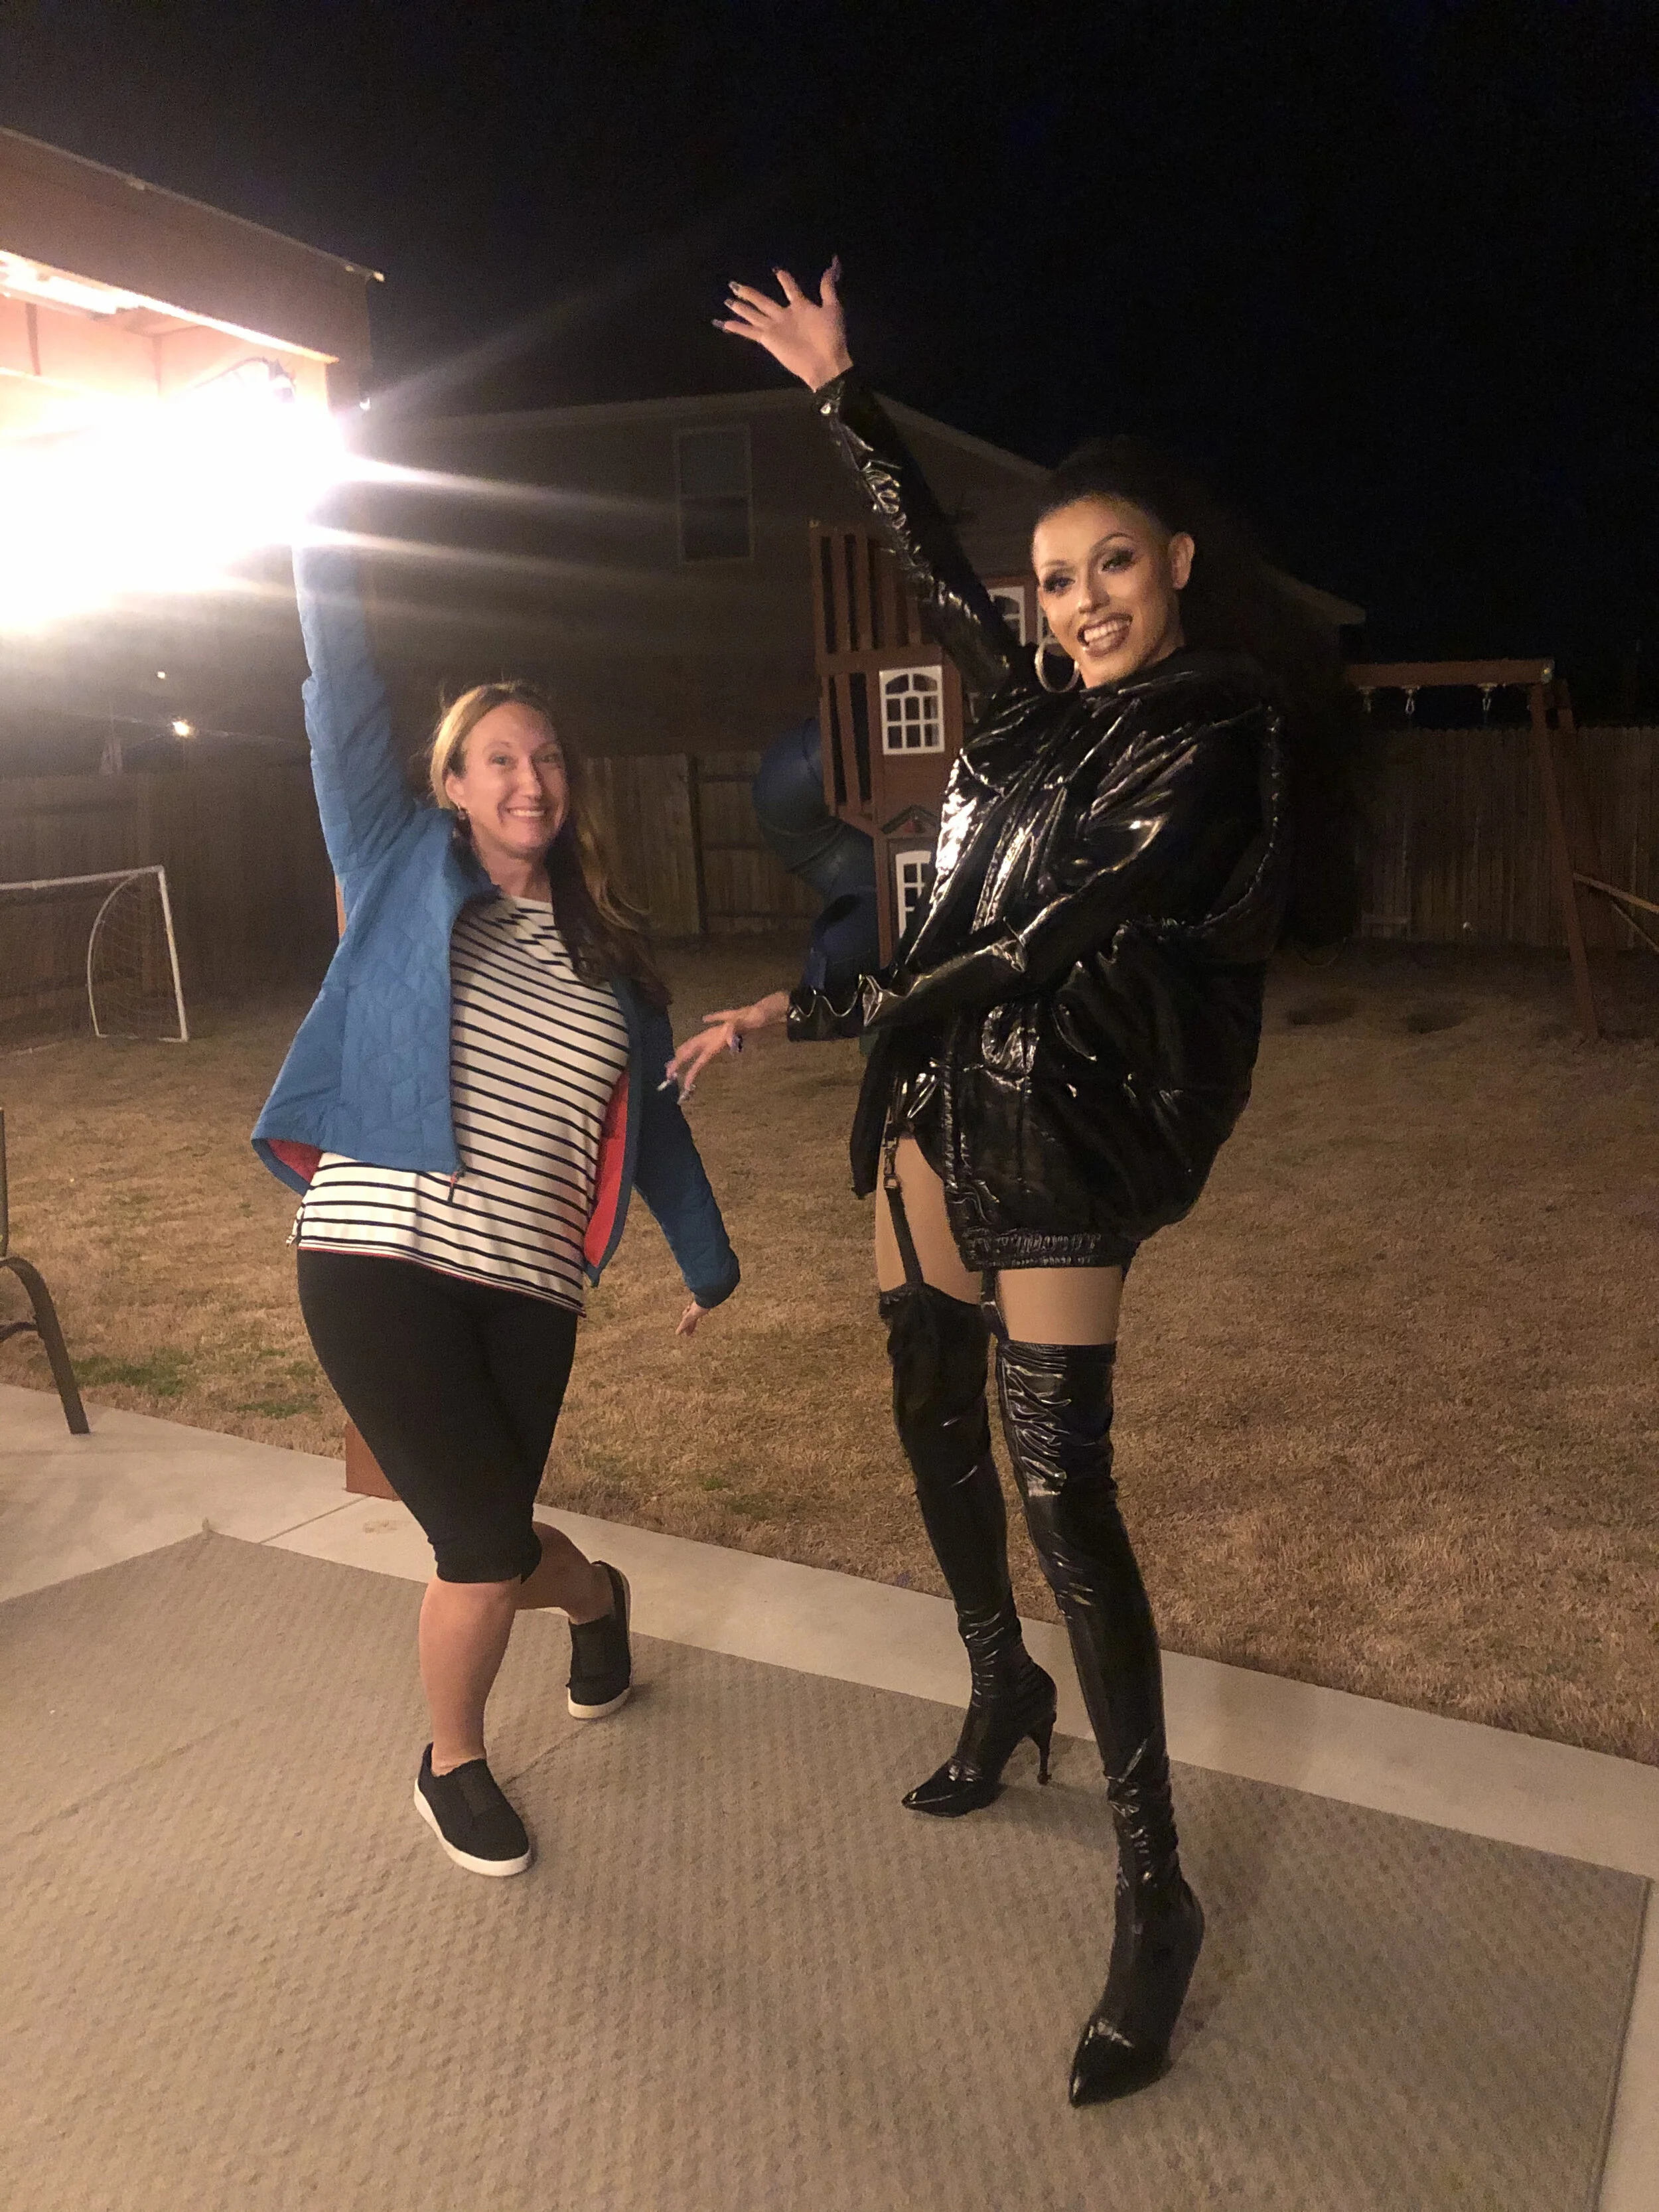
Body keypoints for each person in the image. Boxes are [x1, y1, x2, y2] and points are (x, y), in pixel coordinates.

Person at [675, 263, 1352, 2104]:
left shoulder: (1216, 728)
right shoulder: (1030, 710)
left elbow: (1062, 928)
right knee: (926, 1412)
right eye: (1056, 580)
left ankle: (1155, 1889)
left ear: (1177, 565)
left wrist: (866, 1016)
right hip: (936, 1111)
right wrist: (841, 401)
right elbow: (938, 594)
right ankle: (999, 1682)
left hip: (1066, 1130)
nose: (1078, 603)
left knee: (1070, 1492)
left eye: (1110, 566)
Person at [253, 537, 739, 1879]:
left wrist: (707, 1264)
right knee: (475, 1539)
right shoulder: (396, 868)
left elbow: (651, 1128)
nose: (529, 779)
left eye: (548, 760)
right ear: (451, 786)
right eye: (498, 760)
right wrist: (318, 535)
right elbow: (339, 694)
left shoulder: (609, 959)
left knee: (500, 1535)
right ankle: (450, 1760)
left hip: (528, 1288)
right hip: (373, 1257)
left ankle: (594, 1599)